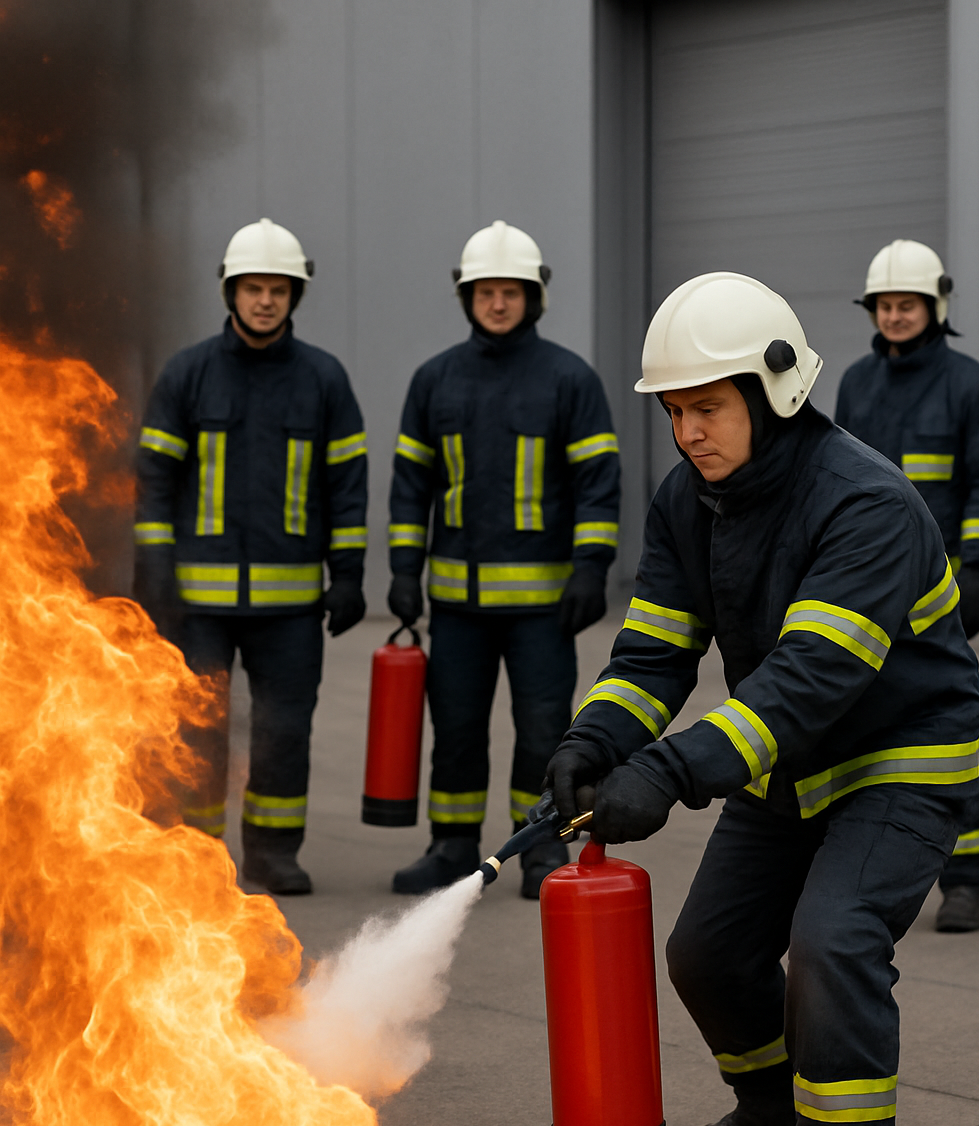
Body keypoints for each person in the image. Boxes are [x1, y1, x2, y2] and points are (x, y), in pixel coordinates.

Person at [542, 272, 979, 1126]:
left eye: (707, 408)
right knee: (706, 951)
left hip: (899, 759)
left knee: (831, 945)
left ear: (776, 390)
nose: (687, 432)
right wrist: (594, 740)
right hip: (790, 760)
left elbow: (807, 680)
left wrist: (669, 771)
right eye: (674, 412)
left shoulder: (866, 502)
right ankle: (771, 1106)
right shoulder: (688, 501)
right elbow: (654, 651)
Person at [386, 220, 621, 900]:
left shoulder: (569, 379)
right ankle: (452, 846)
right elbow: (411, 487)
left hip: (542, 609)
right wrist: (403, 569)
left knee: (544, 731)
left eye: (510, 291)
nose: (497, 303)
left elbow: (597, 484)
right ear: (467, 297)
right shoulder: (434, 381)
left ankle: (541, 847)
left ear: (533, 297)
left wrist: (592, 566)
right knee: (456, 729)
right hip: (457, 607)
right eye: (485, 291)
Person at [133, 218, 368, 896]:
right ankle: (198, 856)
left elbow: (346, 486)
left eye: (278, 289)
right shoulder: (188, 374)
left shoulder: (323, 379)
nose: (265, 301)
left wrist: (348, 574)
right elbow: (154, 481)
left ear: (295, 295)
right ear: (230, 292)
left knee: (283, 734)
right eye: (253, 288)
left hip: (290, 608)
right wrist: (155, 569)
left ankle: (271, 855)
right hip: (198, 605)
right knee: (198, 734)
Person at [835, 240, 979, 933]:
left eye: (907, 303)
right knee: (862, 728)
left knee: (949, 730)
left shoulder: (973, 386)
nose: (895, 315)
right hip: (867, 592)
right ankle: (870, 873)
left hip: (942, 598)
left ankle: (964, 881)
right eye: (884, 305)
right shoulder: (856, 383)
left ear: (935, 306)